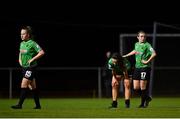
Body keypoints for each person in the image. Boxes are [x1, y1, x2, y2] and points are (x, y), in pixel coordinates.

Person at [11, 26, 45, 109]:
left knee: (23, 84)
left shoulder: (32, 43)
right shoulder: (21, 43)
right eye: (21, 34)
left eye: (23, 34)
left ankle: (19, 105)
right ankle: (38, 105)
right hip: (24, 67)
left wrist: (32, 59)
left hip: (31, 67)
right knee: (33, 87)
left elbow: (42, 52)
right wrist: (20, 60)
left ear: (28, 35)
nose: (21, 35)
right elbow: (20, 53)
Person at [123, 30, 156, 108]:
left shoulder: (147, 45)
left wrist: (147, 61)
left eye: (144, 36)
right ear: (137, 37)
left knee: (142, 87)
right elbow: (135, 51)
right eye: (141, 36)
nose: (143, 38)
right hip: (137, 67)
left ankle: (142, 104)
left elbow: (154, 53)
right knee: (135, 88)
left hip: (145, 68)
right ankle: (147, 98)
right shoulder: (136, 44)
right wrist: (126, 55)